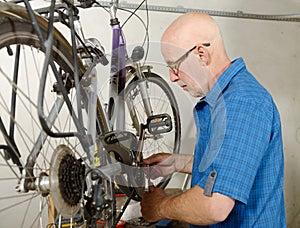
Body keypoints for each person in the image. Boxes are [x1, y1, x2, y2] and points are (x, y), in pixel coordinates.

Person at [140, 12, 286, 227]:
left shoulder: (242, 104)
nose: (172, 76)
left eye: (174, 65)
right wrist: (176, 162)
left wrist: (160, 207)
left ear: (201, 54)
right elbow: (232, 162)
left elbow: (214, 206)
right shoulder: (224, 99)